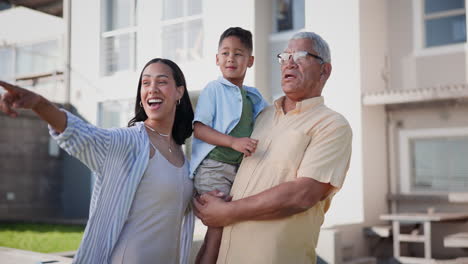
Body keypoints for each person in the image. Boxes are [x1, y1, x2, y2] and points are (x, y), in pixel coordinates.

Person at [0, 58, 195, 264]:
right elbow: (83, 134)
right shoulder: (130, 141)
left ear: (179, 92)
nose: (152, 89)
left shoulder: (182, 154)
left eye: (162, 81)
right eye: (146, 83)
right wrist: (40, 104)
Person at [194, 31, 353, 264]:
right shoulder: (261, 116)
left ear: (324, 70)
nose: (289, 62)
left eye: (299, 56)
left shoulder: (332, 125)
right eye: (284, 56)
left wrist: (226, 212)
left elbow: (302, 194)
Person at [190, 27, 268, 263]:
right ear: (217, 59)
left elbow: (273, 117)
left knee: (225, 232)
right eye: (225, 53)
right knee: (218, 232)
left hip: (235, 172)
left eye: (238, 53)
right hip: (213, 168)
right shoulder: (214, 90)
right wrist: (233, 142)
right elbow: (199, 128)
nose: (230, 58)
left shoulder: (252, 97)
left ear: (250, 61)